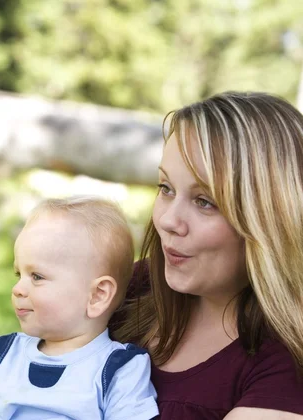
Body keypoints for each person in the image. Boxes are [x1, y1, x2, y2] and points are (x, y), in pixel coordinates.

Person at [111, 91, 303, 420]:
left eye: (205, 202)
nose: (168, 221)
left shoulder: (286, 367)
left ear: (271, 220)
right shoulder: (134, 286)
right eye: (166, 188)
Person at [0, 196, 159, 419]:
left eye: (36, 276)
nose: (18, 288)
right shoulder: (4, 353)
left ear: (97, 295)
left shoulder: (118, 369)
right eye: (19, 274)